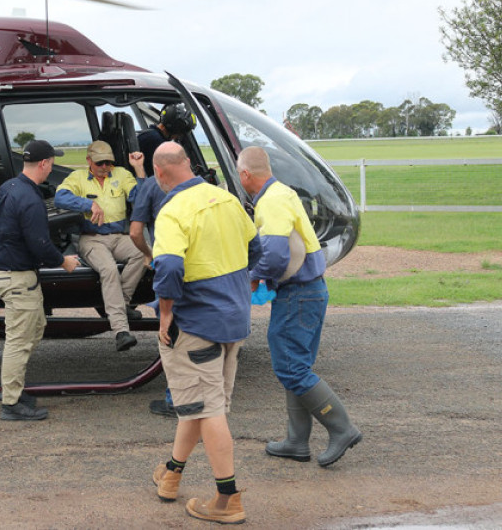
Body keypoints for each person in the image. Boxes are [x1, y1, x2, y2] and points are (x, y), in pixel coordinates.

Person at [148, 142, 261, 525]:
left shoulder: (172, 210)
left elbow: (168, 268)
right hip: (233, 321)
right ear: (189, 165)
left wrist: (165, 314)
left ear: (160, 172)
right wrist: (240, 286)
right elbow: (256, 247)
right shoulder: (226, 199)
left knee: (208, 408)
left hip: (195, 323)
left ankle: (227, 498)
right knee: (199, 402)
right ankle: (171, 473)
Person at [237, 146, 363, 466]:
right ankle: (296, 441)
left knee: (291, 368)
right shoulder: (284, 192)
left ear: (245, 175)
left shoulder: (271, 201)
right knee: (297, 367)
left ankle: (342, 428)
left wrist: (252, 278)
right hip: (311, 290)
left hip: (297, 294)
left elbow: (276, 254)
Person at [0, 139, 79, 421]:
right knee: (19, 339)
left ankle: (11, 389)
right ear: (44, 164)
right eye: (52, 162)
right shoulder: (30, 198)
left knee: (35, 326)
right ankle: (11, 403)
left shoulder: (9, 188)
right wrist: (64, 261)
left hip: (8, 271)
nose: (52, 166)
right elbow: (40, 244)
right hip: (17, 277)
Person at [54, 140, 147, 351]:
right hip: (92, 238)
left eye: (108, 163)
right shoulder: (78, 177)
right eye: (100, 163)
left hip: (118, 236)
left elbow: (140, 198)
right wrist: (88, 204)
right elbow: (60, 198)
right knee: (109, 270)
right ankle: (121, 331)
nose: (105, 167)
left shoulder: (121, 174)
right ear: (89, 161)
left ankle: (119, 305)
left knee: (143, 254)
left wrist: (139, 168)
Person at [128, 172, 175, 417]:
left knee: (170, 334)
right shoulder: (204, 186)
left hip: (168, 262)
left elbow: (136, 232)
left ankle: (174, 399)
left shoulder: (150, 186)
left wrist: (148, 254)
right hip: (202, 269)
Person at [137, 103, 197, 178]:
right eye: (181, 133)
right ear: (176, 128)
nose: (179, 136)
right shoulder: (156, 142)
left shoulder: (150, 135)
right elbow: (162, 177)